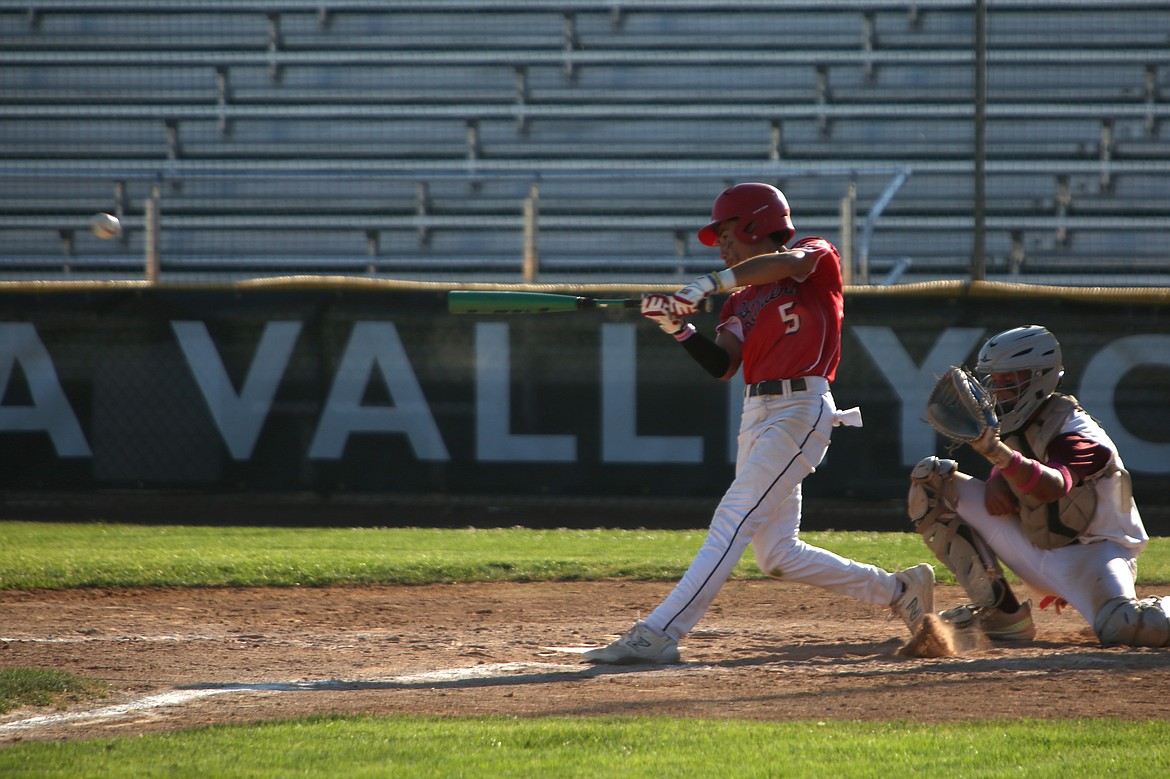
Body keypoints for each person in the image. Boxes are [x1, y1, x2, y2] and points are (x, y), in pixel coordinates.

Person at [583, 182, 934, 664]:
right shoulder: (738, 301)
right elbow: (724, 365)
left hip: (801, 408)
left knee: (735, 514)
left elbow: (788, 265)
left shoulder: (814, 255)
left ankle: (661, 631)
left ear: (756, 223)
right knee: (777, 555)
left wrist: (705, 284)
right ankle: (898, 590)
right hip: (757, 414)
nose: (722, 244)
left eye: (726, 232)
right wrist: (679, 328)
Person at [908, 324, 1170, 646]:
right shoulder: (1019, 423)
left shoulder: (1079, 433)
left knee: (1129, 626)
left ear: (1038, 378)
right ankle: (1003, 615)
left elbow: (1053, 486)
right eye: (995, 381)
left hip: (1097, 555)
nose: (998, 392)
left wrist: (1000, 459)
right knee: (931, 483)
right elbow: (1022, 458)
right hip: (1037, 546)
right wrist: (997, 476)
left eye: (1009, 381)